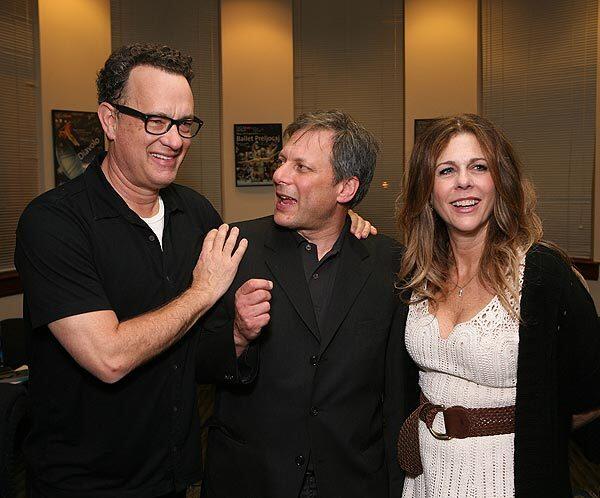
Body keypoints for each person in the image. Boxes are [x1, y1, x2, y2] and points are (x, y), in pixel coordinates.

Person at [15, 43, 251, 498]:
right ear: (109, 120)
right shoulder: (54, 222)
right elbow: (109, 357)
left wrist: (343, 222)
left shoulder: (195, 213)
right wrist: (202, 292)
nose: (175, 139)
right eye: (156, 121)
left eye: (184, 124)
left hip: (174, 477)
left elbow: (196, 348)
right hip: (83, 485)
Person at [201, 110, 407, 498]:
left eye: (301, 167)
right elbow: (194, 363)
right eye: (282, 161)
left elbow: (395, 394)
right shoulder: (234, 247)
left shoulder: (390, 264)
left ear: (345, 189)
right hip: (252, 479)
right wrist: (237, 335)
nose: (279, 175)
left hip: (351, 481)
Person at [395, 113, 600, 497]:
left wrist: (538, 427)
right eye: (445, 170)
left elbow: (591, 394)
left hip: (508, 477)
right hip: (425, 477)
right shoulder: (414, 274)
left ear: (500, 180)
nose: (463, 182)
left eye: (478, 167)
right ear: (427, 189)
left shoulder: (544, 275)